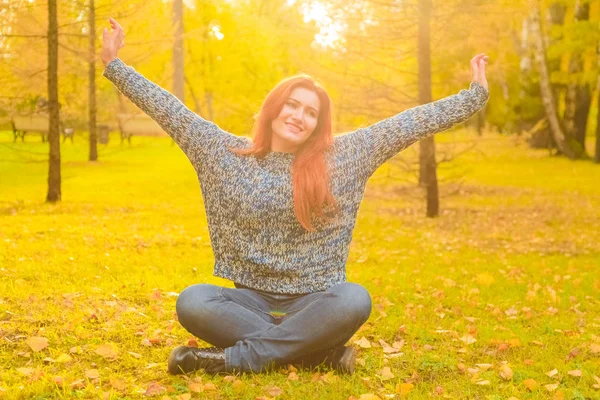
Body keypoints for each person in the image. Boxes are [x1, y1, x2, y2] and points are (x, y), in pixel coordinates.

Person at [101, 17, 489, 376]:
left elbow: (408, 123)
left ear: (318, 124)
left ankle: (238, 359)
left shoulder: (345, 157)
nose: (298, 116)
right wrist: (115, 65)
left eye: (310, 113)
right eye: (292, 104)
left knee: (354, 299)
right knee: (192, 301)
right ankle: (314, 354)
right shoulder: (223, 154)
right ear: (274, 107)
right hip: (248, 302)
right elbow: (172, 111)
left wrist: (473, 96)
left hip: (315, 303)